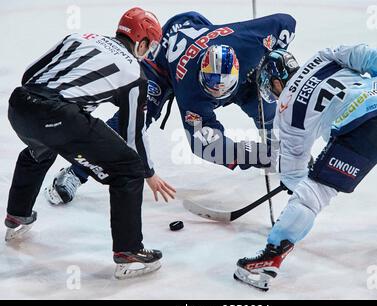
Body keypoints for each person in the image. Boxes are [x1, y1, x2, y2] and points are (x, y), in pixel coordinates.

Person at [233, 47, 377, 291]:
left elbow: (293, 174)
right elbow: (372, 57)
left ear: (275, 82)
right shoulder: (321, 57)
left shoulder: (286, 108)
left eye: (270, 88)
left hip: (365, 133)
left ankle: (270, 256)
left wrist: (305, 178)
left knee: (312, 196)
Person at [44, 11, 296, 205]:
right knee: (132, 120)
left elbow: (287, 22)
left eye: (223, 89)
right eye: (211, 88)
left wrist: (275, 56)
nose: (217, 95)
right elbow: (208, 146)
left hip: (195, 28)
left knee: (264, 104)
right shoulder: (192, 94)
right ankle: (76, 173)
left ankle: (284, 152)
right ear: (201, 79)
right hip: (163, 66)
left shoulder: (248, 43)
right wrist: (255, 155)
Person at [4, 7, 173, 279]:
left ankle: (17, 216)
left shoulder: (80, 37)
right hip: (59, 116)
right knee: (128, 170)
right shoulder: (134, 73)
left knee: (39, 149)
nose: (148, 52)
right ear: (141, 42)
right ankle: (129, 251)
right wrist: (148, 173)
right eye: (149, 46)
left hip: (19, 105)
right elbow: (133, 135)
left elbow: (30, 74)